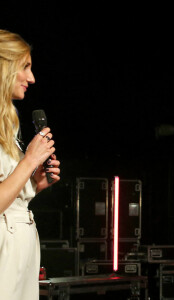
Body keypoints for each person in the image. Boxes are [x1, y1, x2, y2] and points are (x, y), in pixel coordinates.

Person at [0, 29, 60, 299]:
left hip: (21, 249)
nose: (31, 78)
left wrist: (33, 186)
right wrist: (30, 161)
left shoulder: (8, 125)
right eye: (25, 66)